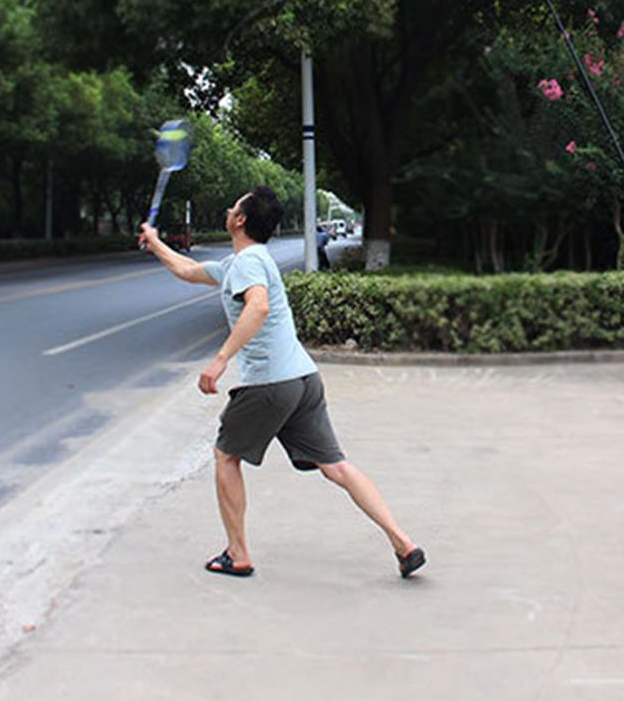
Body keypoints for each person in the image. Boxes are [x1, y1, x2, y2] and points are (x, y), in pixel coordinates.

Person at [138, 185, 425, 579]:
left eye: (234, 205)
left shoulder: (246, 265)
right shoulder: (245, 260)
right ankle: (403, 542)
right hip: (304, 379)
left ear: (240, 220)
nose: (228, 206)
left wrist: (220, 360)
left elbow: (258, 305)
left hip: (270, 384)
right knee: (336, 466)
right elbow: (187, 270)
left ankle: (237, 553)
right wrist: (155, 243)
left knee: (226, 456)